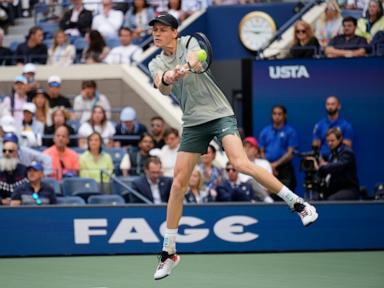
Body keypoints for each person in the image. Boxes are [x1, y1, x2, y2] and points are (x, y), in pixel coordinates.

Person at [147, 13, 318, 280]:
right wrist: (171, 75)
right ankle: (169, 252)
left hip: (219, 114)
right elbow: (161, 83)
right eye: (154, 30)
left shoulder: (190, 42)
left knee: (240, 164)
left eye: (161, 29)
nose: (156, 34)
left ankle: (298, 204)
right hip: (193, 123)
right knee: (178, 184)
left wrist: (187, 66)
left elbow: (198, 57)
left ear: (174, 32)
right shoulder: (155, 61)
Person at [309, 128, 360, 200]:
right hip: (334, 190)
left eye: (332, 141)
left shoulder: (347, 152)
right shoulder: (332, 154)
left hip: (348, 189)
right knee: (315, 199)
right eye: (328, 141)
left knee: (331, 200)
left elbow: (337, 166)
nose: (329, 143)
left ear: (340, 139)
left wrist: (321, 168)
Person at [259, 105, 298, 192]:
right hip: (267, 168)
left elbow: (290, 153)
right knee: (268, 193)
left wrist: (275, 165)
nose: (277, 116)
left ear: (285, 115)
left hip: (284, 169)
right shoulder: (265, 131)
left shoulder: (290, 132)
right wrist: (269, 165)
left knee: (286, 194)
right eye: (274, 114)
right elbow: (261, 151)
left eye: (279, 114)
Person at [312, 96, 353, 160]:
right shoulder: (319, 125)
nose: (330, 107)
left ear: (339, 106)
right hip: (322, 160)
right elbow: (315, 147)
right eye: (328, 104)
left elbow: (347, 149)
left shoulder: (346, 126)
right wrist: (321, 161)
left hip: (339, 161)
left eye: (333, 104)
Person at [240, 136, 274, 203]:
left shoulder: (265, 163)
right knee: (251, 181)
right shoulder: (238, 164)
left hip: (263, 195)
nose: (247, 149)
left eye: (250, 147)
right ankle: (268, 200)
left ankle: (266, 199)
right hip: (244, 196)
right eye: (244, 146)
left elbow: (271, 184)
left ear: (256, 150)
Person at [0, 133, 28, 205]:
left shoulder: (24, 170)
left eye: (10, 151)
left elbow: (31, 191)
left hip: (21, 209)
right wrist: (1, 201)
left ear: (16, 153)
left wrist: (21, 201)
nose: (7, 153)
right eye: (4, 151)